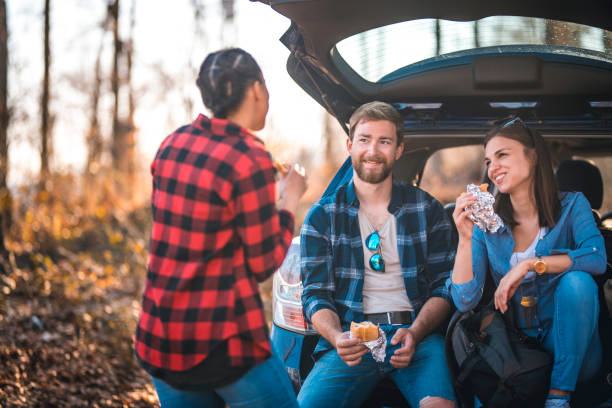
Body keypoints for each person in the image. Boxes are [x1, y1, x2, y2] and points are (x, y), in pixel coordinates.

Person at [133, 48, 307, 408]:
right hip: (222, 342)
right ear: (258, 90)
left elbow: (199, 230)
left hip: (160, 336)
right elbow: (262, 264)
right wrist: (290, 199)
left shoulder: (171, 144)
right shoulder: (250, 158)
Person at [298, 101, 457, 408]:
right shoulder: (321, 217)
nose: (373, 151)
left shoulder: (427, 210)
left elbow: (444, 287)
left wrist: (416, 331)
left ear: (398, 150)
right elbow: (315, 295)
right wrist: (336, 338)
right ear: (349, 145)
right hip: (351, 340)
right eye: (364, 140)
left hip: (416, 339)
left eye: (384, 141)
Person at [448, 116, 607, 408]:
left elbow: (597, 258)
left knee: (578, 281)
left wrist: (531, 263)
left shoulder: (573, 205)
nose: (492, 168)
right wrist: (465, 238)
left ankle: (558, 398)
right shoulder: (488, 222)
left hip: (574, 349)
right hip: (516, 352)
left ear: (533, 157)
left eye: (502, 155)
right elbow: (465, 300)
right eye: (488, 161)